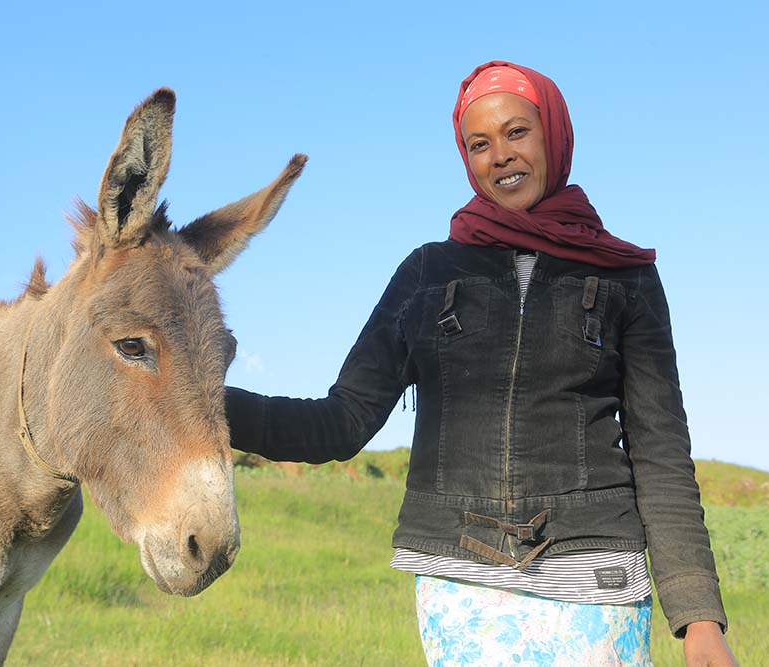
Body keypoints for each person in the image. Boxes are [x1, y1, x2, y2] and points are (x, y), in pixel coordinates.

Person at [226, 61, 737, 667]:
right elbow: (343, 421)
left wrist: (698, 617)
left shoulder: (625, 276)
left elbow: (660, 454)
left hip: (596, 577)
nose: (500, 155)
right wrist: (201, 402)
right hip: (460, 586)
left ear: (553, 134)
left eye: (517, 132)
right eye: (479, 143)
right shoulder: (426, 272)